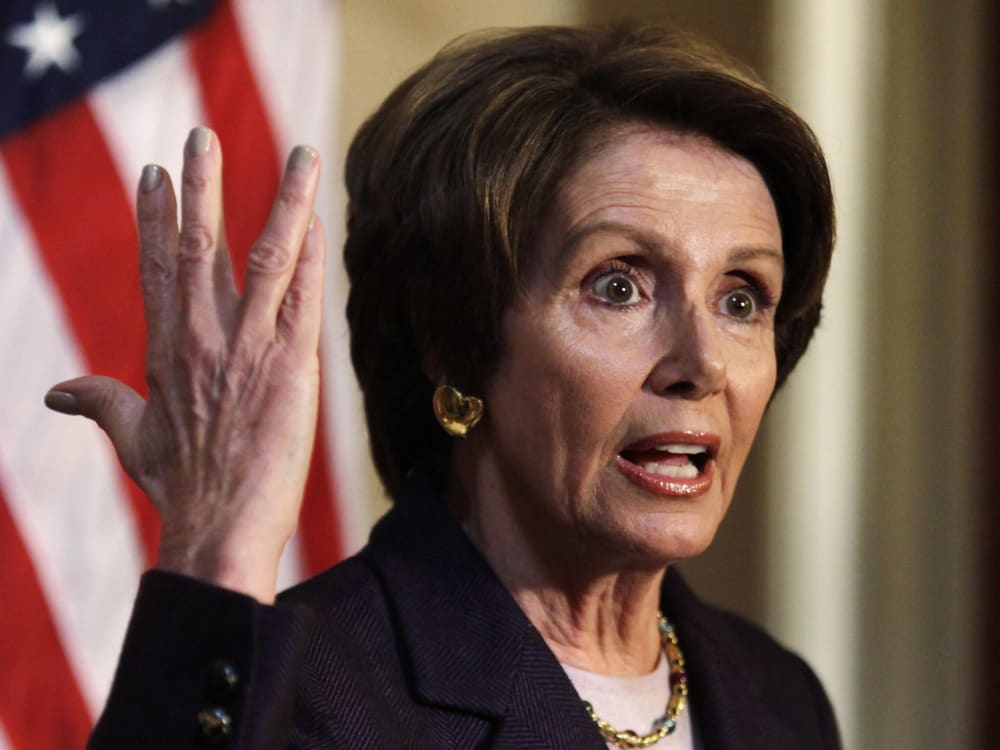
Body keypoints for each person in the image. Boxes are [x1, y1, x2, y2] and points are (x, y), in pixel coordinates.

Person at [46, 22, 839, 749]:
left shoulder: (776, 696)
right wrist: (216, 553)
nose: (700, 362)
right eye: (619, 287)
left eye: (742, 298)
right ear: (455, 346)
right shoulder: (304, 692)